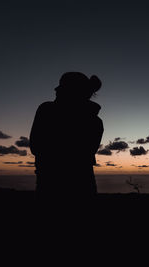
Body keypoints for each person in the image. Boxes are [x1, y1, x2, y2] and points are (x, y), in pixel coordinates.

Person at [29, 72, 104, 203]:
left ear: (72, 91)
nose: (56, 89)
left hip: (50, 184)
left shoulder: (46, 110)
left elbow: (36, 146)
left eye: (61, 87)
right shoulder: (95, 121)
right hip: (83, 184)